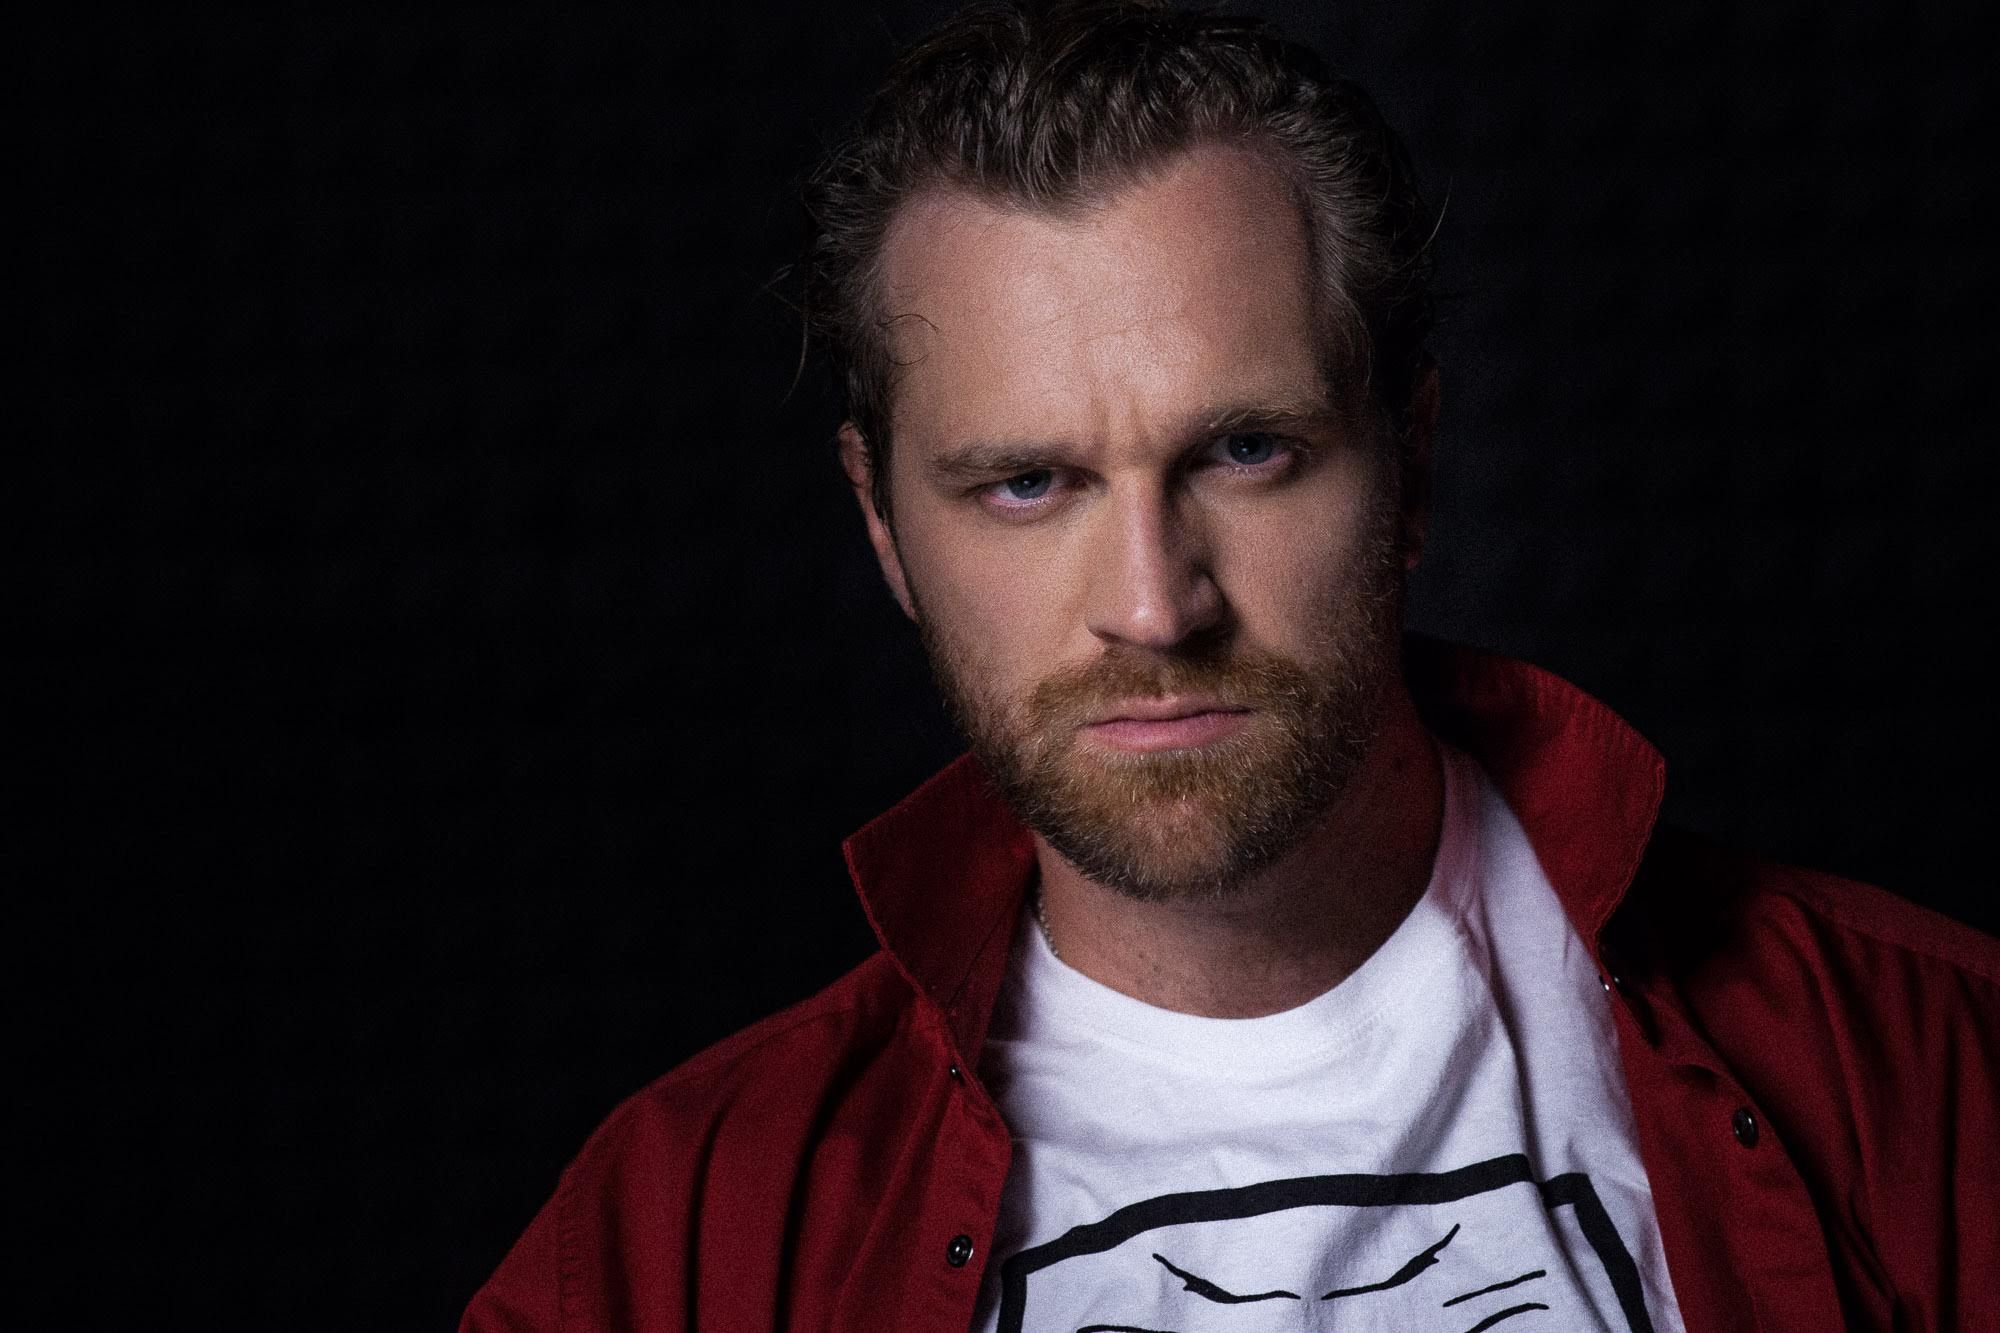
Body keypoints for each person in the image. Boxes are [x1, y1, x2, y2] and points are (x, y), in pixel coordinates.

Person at [462, 3, 1998, 1329]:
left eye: (1247, 450)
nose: (1153, 605)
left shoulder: (1929, 1074)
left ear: (1411, 464)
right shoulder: (675, 1238)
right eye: (1027, 484)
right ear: (883, 525)